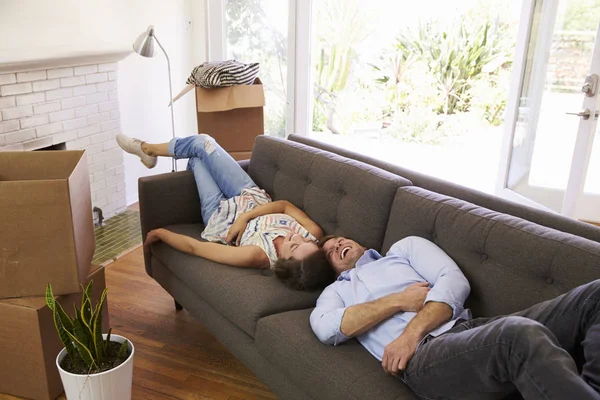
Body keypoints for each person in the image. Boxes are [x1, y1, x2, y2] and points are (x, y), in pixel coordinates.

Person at [280, 235, 600, 399]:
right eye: (330, 252)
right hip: (424, 358)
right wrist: (398, 302)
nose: (337, 245)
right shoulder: (336, 293)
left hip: (471, 329)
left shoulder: (403, 250)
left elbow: (454, 280)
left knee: (594, 296)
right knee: (518, 335)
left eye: (339, 239)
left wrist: (411, 330)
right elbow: (326, 328)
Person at [116, 133, 326, 269]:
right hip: (249, 195)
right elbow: (284, 206)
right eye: (305, 241)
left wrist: (160, 233)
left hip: (219, 216)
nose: (296, 237)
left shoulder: (259, 256)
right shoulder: (314, 234)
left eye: (295, 246)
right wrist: (244, 217)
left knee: (196, 158)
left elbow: (197, 249)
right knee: (203, 142)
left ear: (283, 263)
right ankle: (148, 149)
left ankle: (148, 151)